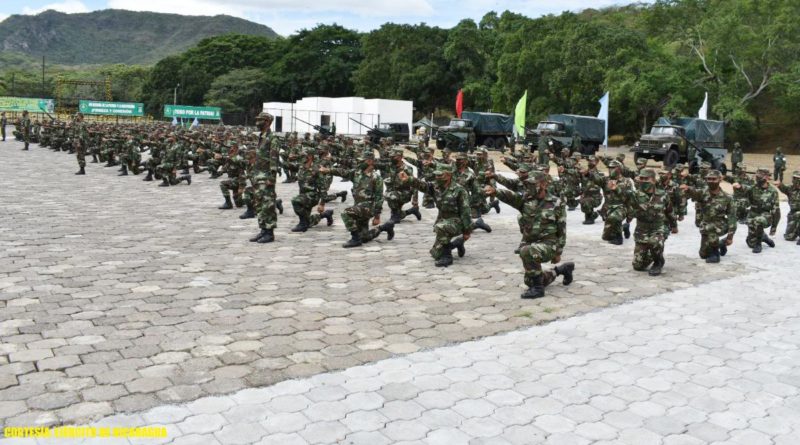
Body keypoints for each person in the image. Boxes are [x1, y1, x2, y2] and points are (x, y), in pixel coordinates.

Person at [485, 172, 574, 299]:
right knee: (530, 279)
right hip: (532, 243)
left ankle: (538, 290)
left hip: (549, 244)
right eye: (527, 184)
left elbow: (562, 229)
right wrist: (495, 191)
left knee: (526, 251)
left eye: (533, 184)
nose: (529, 187)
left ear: (544, 184)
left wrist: (558, 252)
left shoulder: (557, 203)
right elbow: (511, 196)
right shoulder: (525, 199)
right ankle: (561, 270)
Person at [399, 163, 471, 267]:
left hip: (457, 221)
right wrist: (409, 179)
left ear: (449, 175)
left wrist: (467, 231)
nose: (437, 177)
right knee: (436, 254)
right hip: (442, 220)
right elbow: (422, 185)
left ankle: (447, 257)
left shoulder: (459, 190)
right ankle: (457, 243)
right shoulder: (435, 187)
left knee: (441, 228)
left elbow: (466, 212)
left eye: (440, 175)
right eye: (436, 175)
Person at [320, 150, 395, 247]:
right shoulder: (357, 173)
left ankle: (355, 239)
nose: (359, 163)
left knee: (346, 213)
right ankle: (385, 227)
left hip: (368, 208)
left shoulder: (376, 178)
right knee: (364, 237)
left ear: (369, 161)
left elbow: (379, 197)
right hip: (358, 207)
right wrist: (328, 170)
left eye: (362, 161)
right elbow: (343, 172)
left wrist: (377, 216)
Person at [616, 169, 675, 276]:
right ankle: (651, 252)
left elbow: (669, 211)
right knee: (638, 266)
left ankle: (658, 262)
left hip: (658, 228)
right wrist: (615, 189)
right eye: (641, 178)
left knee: (654, 242)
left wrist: (674, 226)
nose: (643, 181)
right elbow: (623, 194)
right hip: (642, 230)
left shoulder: (662, 195)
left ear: (653, 180)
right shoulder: (635, 195)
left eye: (646, 179)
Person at [680, 170, 736, 263]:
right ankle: (721, 244)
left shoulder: (727, 198)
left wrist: (730, 236)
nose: (711, 181)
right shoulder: (702, 193)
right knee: (703, 254)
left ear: (720, 179)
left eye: (714, 179)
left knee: (711, 228)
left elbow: (732, 217)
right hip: (706, 225)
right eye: (708, 179)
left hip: (720, 224)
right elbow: (694, 192)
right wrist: (688, 189)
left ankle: (715, 253)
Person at [249, 112, 281, 243]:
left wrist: (271, 178)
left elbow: (274, 159)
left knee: (268, 204)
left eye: (260, 120)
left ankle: (269, 232)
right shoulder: (261, 137)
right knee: (259, 204)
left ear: (267, 121)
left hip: (266, 176)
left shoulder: (272, 138)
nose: (257, 123)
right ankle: (263, 229)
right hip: (258, 176)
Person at [733, 167, 779, 253]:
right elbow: (745, 188)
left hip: (765, 215)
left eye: (759, 177)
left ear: (766, 178)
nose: (757, 179)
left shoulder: (772, 191)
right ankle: (764, 237)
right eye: (756, 177)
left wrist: (774, 227)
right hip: (753, 214)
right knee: (750, 243)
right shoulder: (753, 188)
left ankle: (758, 244)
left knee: (759, 220)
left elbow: (776, 210)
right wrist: (739, 187)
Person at [776, 171, 800, 244]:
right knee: (789, 237)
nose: (796, 181)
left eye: (798, 179)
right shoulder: (791, 189)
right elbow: (784, 188)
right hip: (793, 214)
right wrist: (779, 184)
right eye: (795, 179)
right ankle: (795, 232)